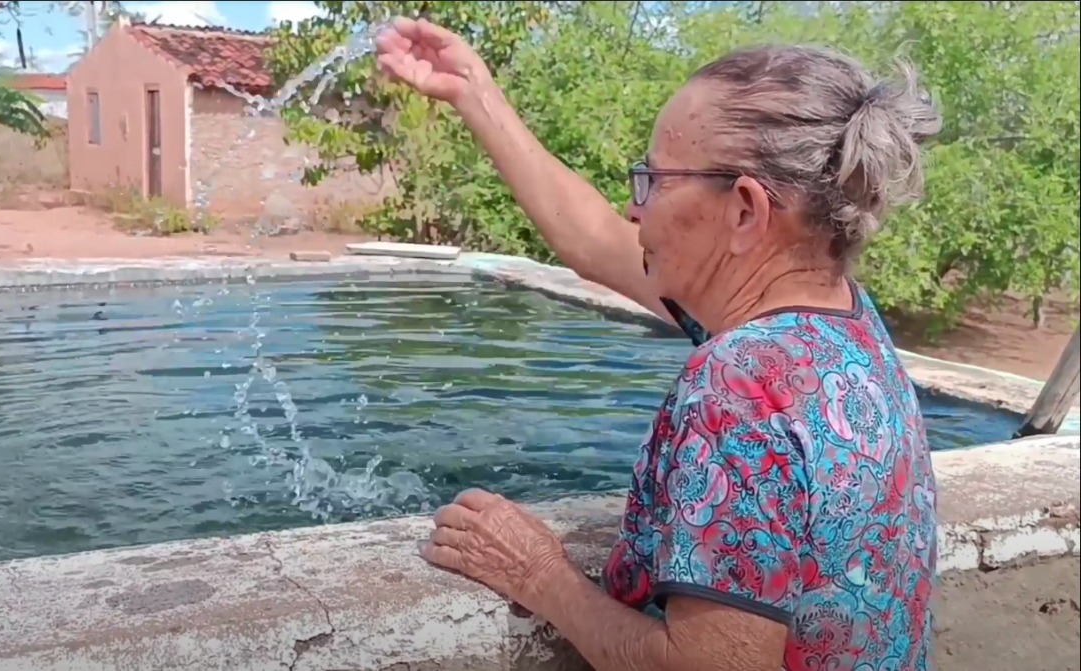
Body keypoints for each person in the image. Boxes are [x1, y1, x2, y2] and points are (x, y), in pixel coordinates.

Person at [376, 16, 943, 671]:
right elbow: (593, 238)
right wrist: (473, 89)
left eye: (654, 180)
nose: (633, 209)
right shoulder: (843, 325)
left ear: (745, 210)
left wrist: (540, 574)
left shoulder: (738, 387)